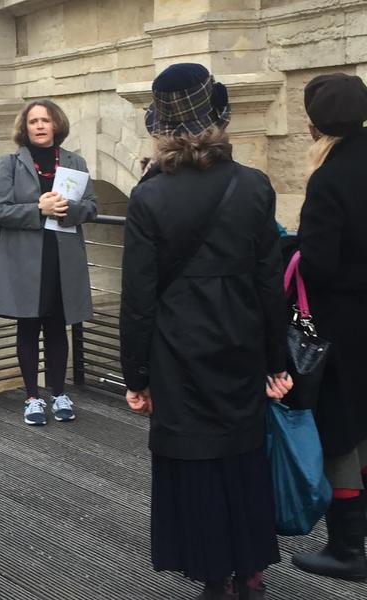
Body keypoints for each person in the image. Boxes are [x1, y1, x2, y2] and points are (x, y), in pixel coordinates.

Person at [119, 63, 293, 600]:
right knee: (243, 457)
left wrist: (138, 374)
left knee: (192, 462)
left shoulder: (148, 198)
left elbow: (138, 301)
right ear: (219, 122)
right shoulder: (253, 187)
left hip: (176, 353)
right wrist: (276, 361)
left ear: (161, 131)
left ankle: (213, 576)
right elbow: (271, 286)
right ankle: (252, 573)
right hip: (240, 345)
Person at [290, 73, 367, 581]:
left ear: (316, 126)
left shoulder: (330, 177)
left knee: (341, 434)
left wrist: (286, 251)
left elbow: (316, 263)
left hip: (343, 326)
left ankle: (346, 547)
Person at [0, 99, 97, 426]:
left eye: (45, 120)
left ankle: (59, 393)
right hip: (25, 258)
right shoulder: (9, 163)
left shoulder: (75, 161)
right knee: (28, 325)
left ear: (56, 125)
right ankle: (32, 397)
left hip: (62, 256)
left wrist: (66, 210)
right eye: (33, 121)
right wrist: (39, 210)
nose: (39, 126)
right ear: (25, 126)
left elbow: (90, 206)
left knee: (57, 325)